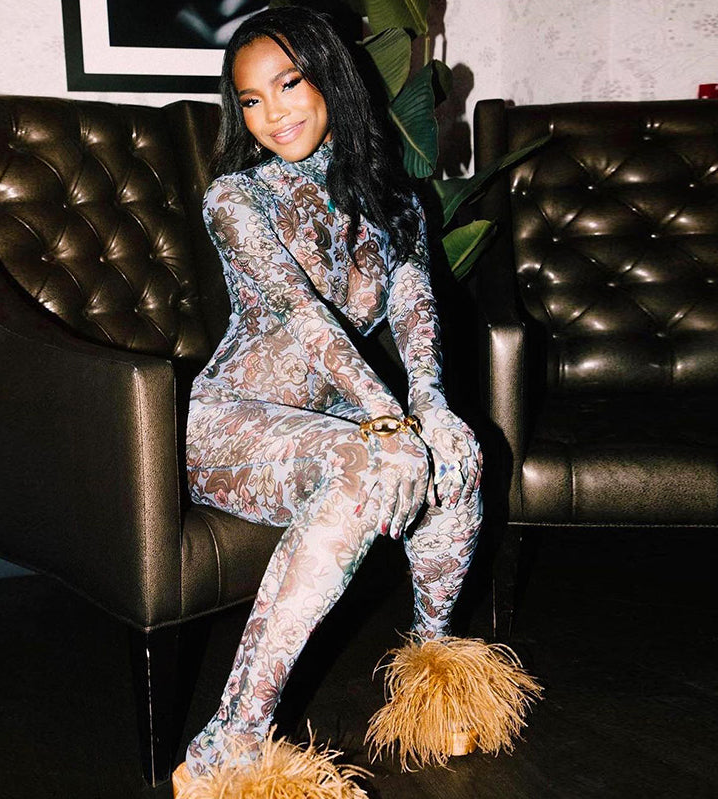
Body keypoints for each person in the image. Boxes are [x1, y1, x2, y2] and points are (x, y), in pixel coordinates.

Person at [173, 7, 540, 797]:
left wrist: (430, 409)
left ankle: (432, 681)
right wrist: (386, 418)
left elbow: (415, 315)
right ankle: (227, 744)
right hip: (229, 425)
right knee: (365, 460)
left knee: (458, 453)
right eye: (250, 100)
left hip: (326, 420)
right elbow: (305, 318)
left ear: (329, 78)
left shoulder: (395, 203)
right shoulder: (237, 197)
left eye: (289, 84)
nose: (273, 113)